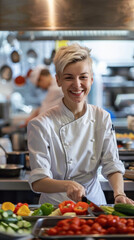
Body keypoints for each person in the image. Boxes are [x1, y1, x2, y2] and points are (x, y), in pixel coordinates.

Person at [27, 43, 134, 206]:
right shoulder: (40, 124)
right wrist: (67, 185)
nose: (77, 85)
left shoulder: (102, 117)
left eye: (83, 77)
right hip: (56, 209)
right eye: (69, 77)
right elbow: (38, 180)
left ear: (91, 79)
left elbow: (111, 164)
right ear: (58, 80)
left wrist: (119, 194)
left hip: (95, 205)